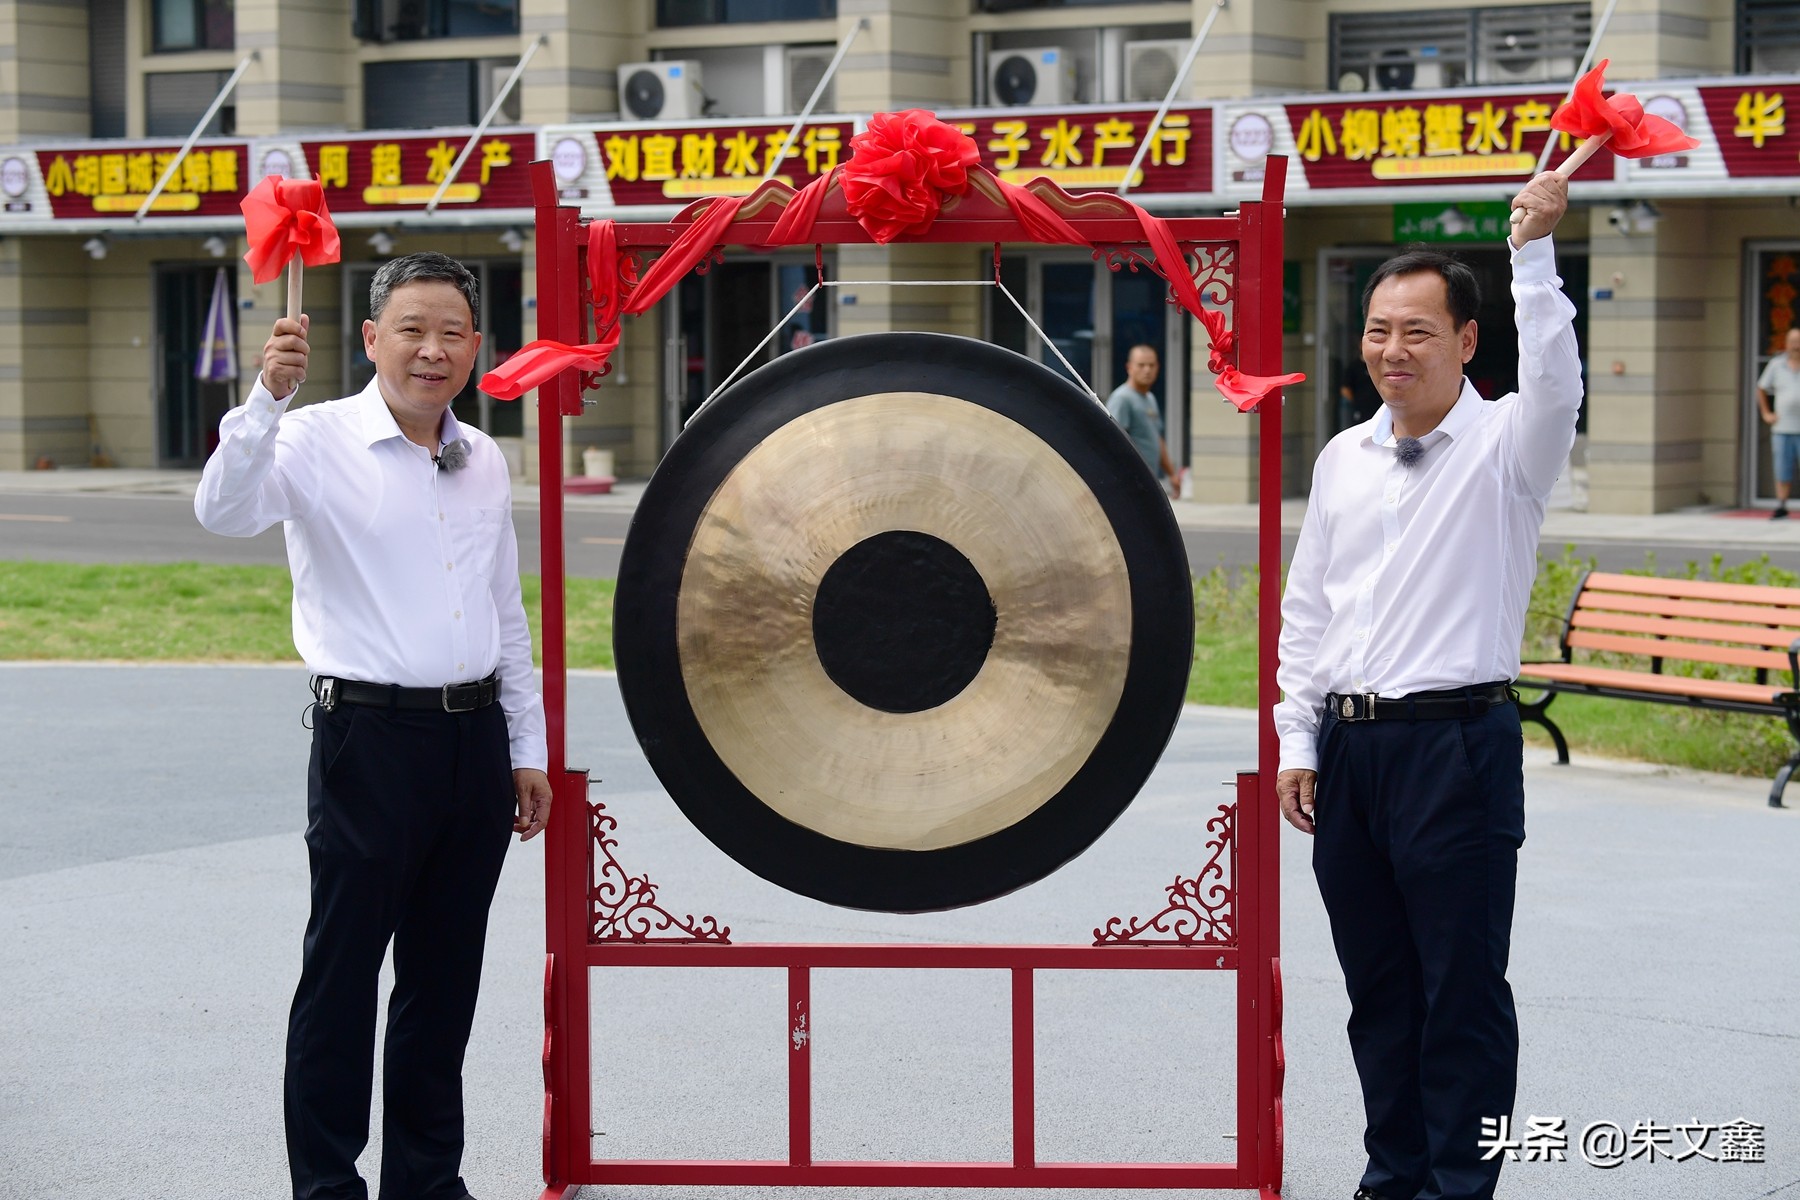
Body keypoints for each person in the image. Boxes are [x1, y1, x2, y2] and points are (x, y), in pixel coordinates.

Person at [195, 252, 552, 1200]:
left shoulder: (485, 459)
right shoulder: (308, 440)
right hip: (366, 742)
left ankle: (428, 1182)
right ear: (371, 339)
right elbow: (222, 511)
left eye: (451, 333)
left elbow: (504, 613)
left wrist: (527, 748)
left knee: (444, 985)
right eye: (411, 329)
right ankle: (327, 1187)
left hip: (473, 747)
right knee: (343, 978)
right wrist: (261, 403)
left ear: (477, 347)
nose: (430, 351)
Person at [1273, 172, 1580, 1200]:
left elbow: (1559, 388)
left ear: (1465, 342)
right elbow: (1307, 613)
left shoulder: (1509, 449)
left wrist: (1532, 253)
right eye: (1376, 331)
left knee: (1461, 994)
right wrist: (1300, 743)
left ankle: (1461, 1187)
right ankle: (1391, 1174)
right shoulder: (1345, 460)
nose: (1392, 351)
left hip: (1458, 749)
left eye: (1416, 331)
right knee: (1379, 990)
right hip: (1353, 754)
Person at [1105, 344, 1180, 497]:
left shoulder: (1150, 398)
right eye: (1141, 365)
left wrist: (1171, 474)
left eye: (1151, 365)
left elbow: (1156, 438)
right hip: (1128, 484)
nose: (1147, 370)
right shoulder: (1122, 398)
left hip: (1148, 481)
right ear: (1129, 367)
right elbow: (1113, 441)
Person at [1757, 326, 1800, 519]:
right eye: (1793, 342)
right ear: (1786, 344)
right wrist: (1766, 413)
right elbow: (1761, 388)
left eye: (1798, 342)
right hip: (1782, 428)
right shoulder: (1776, 365)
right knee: (1782, 468)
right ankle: (1781, 506)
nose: (1796, 346)